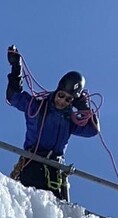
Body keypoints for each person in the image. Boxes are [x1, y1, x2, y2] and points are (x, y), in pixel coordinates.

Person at [6, 47, 99, 201]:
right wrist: (16, 67)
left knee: (54, 214)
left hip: (55, 171)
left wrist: (84, 107)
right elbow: (13, 96)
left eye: (68, 99)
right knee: (32, 204)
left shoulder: (70, 120)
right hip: (33, 163)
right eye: (61, 95)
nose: (62, 101)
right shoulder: (37, 107)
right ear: (57, 91)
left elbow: (92, 130)